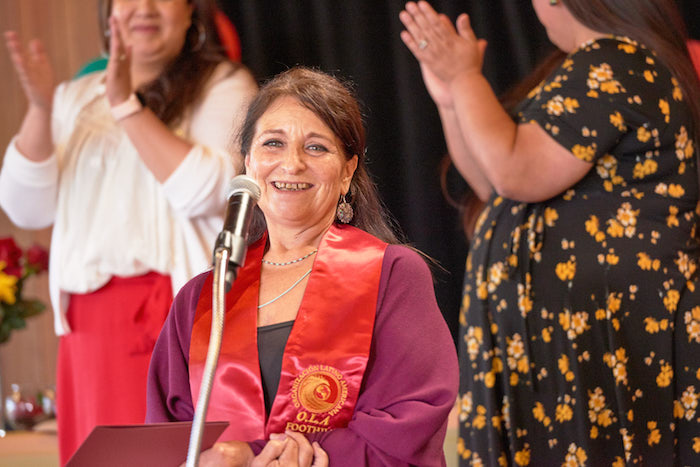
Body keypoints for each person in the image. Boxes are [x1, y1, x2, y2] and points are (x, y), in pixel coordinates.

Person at [400, 0, 700, 465]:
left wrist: (466, 78)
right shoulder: (589, 66)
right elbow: (492, 183)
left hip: (606, 341)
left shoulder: (615, 61)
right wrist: (452, 98)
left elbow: (515, 171)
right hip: (565, 347)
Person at [145, 66, 459, 466]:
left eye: (316, 147)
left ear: (348, 171)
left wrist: (260, 456)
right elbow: (168, 435)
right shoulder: (204, 299)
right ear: (248, 163)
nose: (291, 164)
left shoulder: (391, 274)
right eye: (273, 143)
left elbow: (410, 422)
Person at [0, 0, 257, 463]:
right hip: (86, 327)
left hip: (167, 313)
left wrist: (125, 106)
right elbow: (25, 207)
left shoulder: (223, 84)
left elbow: (211, 191)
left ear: (190, 13)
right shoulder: (76, 95)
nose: (144, 8)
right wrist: (41, 109)